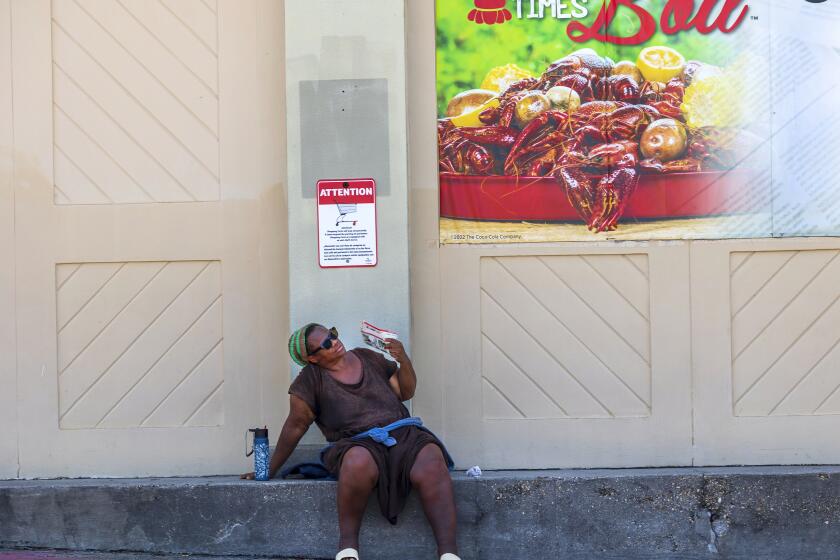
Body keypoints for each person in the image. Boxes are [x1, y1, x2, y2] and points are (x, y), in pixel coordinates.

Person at [241, 323, 461, 560]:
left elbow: (405, 392)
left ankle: (449, 553)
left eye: (332, 335)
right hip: (356, 443)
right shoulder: (309, 381)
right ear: (312, 359)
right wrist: (270, 468)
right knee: (357, 462)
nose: (335, 342)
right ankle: (348, 548)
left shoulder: (367, 357)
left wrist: (403, 360)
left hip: (404, 435)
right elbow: (295, 426)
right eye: (326, 344)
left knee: (431, 458)